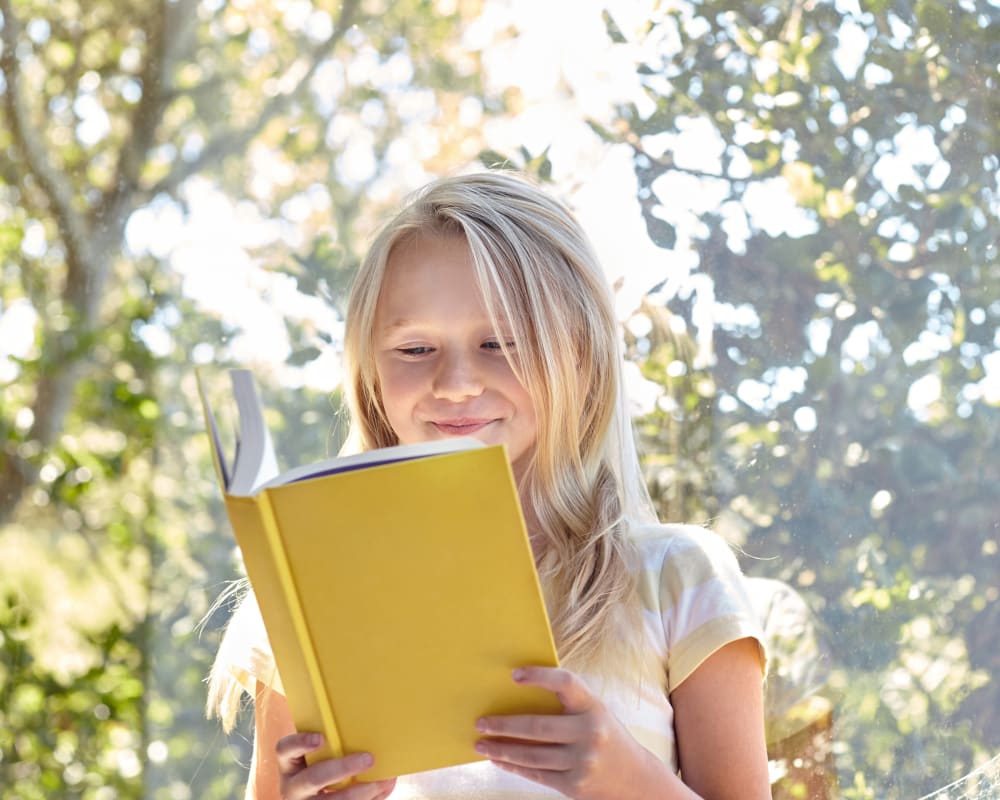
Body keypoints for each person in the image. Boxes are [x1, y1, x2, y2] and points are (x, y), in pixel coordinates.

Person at [207, 171, 771, 800]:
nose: (455, 383)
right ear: (370, 373)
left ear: (580, 354)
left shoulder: (677, 577)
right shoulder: (311, 600)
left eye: (499, 342)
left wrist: (625, 778)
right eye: (416, 348)